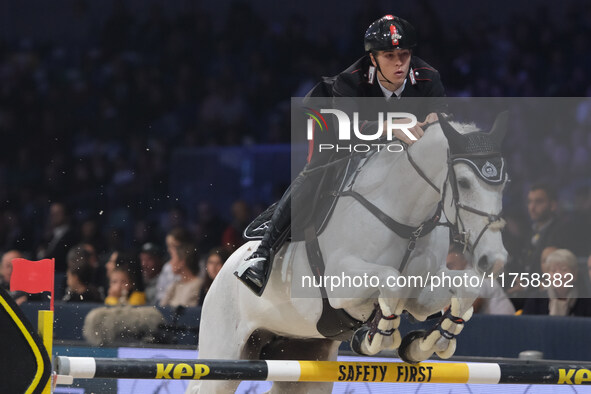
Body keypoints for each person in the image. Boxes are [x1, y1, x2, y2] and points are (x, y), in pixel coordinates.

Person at [236, 14, 446, 295]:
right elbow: (348, 131)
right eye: (389, 55)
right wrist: (389, 127)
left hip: (389, 126)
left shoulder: (429, 77)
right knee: (319, 167)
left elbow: (440, 120)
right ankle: (262, 255)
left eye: (404, 54)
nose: (399, 63)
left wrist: (438, 120)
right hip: (332, 120)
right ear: (373, 58)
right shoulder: (350, 81)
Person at [446, 243, 515, 315]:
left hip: (504, 322)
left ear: (464, 261)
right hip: (498, 321)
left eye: (450, 266)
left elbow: (474, 306)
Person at [522, 249, 591, 317]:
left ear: (574, 274)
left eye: (564, 269)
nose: (558, 275)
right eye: (553, 270)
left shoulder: (586, 302)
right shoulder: (536, 300)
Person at [160, 242, 202, 308]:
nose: (170, 262)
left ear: (182, 262)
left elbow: (186, 313)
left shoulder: (198, 285)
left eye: (173, 258)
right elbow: (162, 309)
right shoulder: (175, 284)